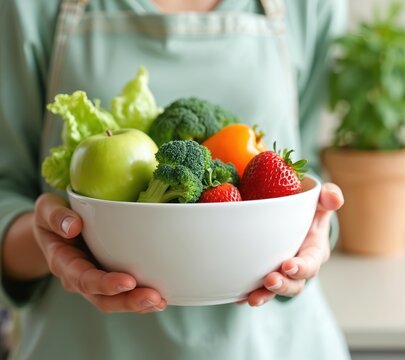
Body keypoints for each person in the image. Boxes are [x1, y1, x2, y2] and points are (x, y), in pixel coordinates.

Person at [0, 0, 350, 359]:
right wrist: (54, 241)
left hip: (273, 344)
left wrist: (316, 231)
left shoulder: (313, 6)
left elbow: (306, 177)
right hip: (84, 344)